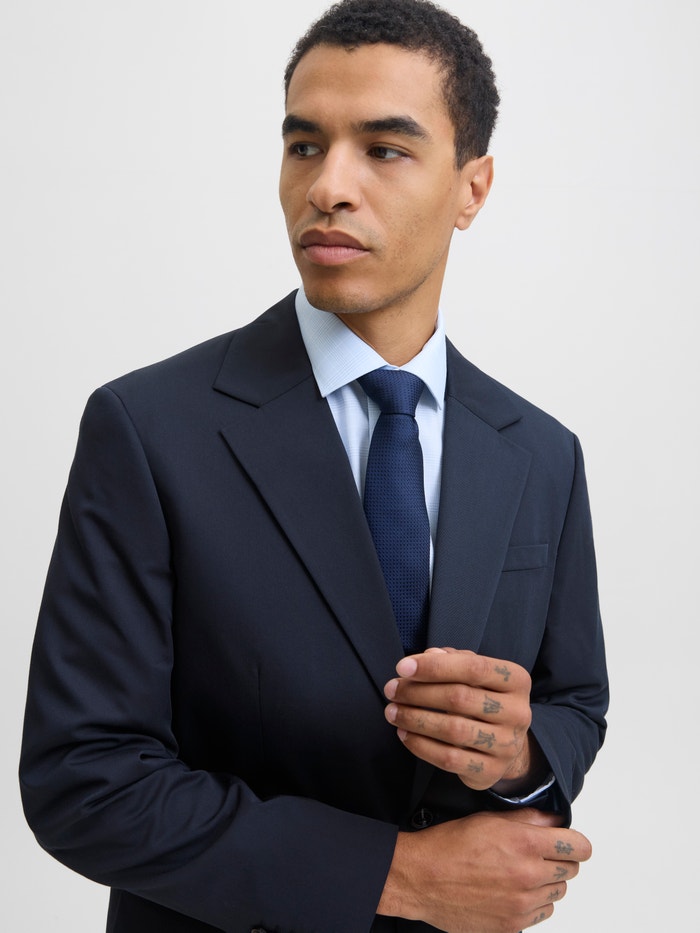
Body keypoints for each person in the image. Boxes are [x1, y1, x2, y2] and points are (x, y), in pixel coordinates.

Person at [19, 1, 608, 931]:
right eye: (304, 146)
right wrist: (397, 875)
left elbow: (576, 700)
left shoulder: (541, 451)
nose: (328, 186)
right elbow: (83, 779)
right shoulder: (149, 428)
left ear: (473, 188)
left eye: (384, 148)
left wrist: (519, 753)